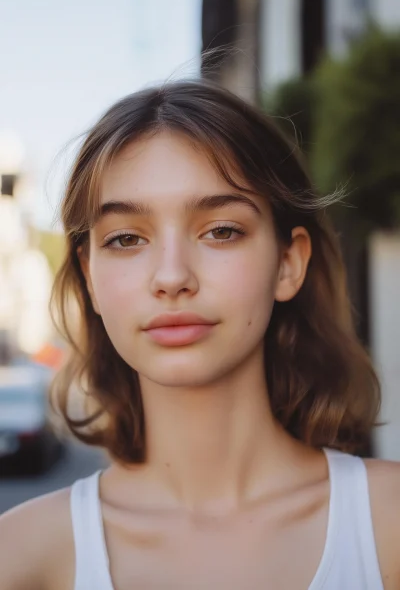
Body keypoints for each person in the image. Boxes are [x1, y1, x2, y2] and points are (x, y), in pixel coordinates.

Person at [0, 80, 399, 590]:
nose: (171, 276)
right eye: (126, 239)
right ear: (90, 278)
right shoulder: (22, 558)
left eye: (221, 231)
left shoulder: (390, 528)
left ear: (288, 263)